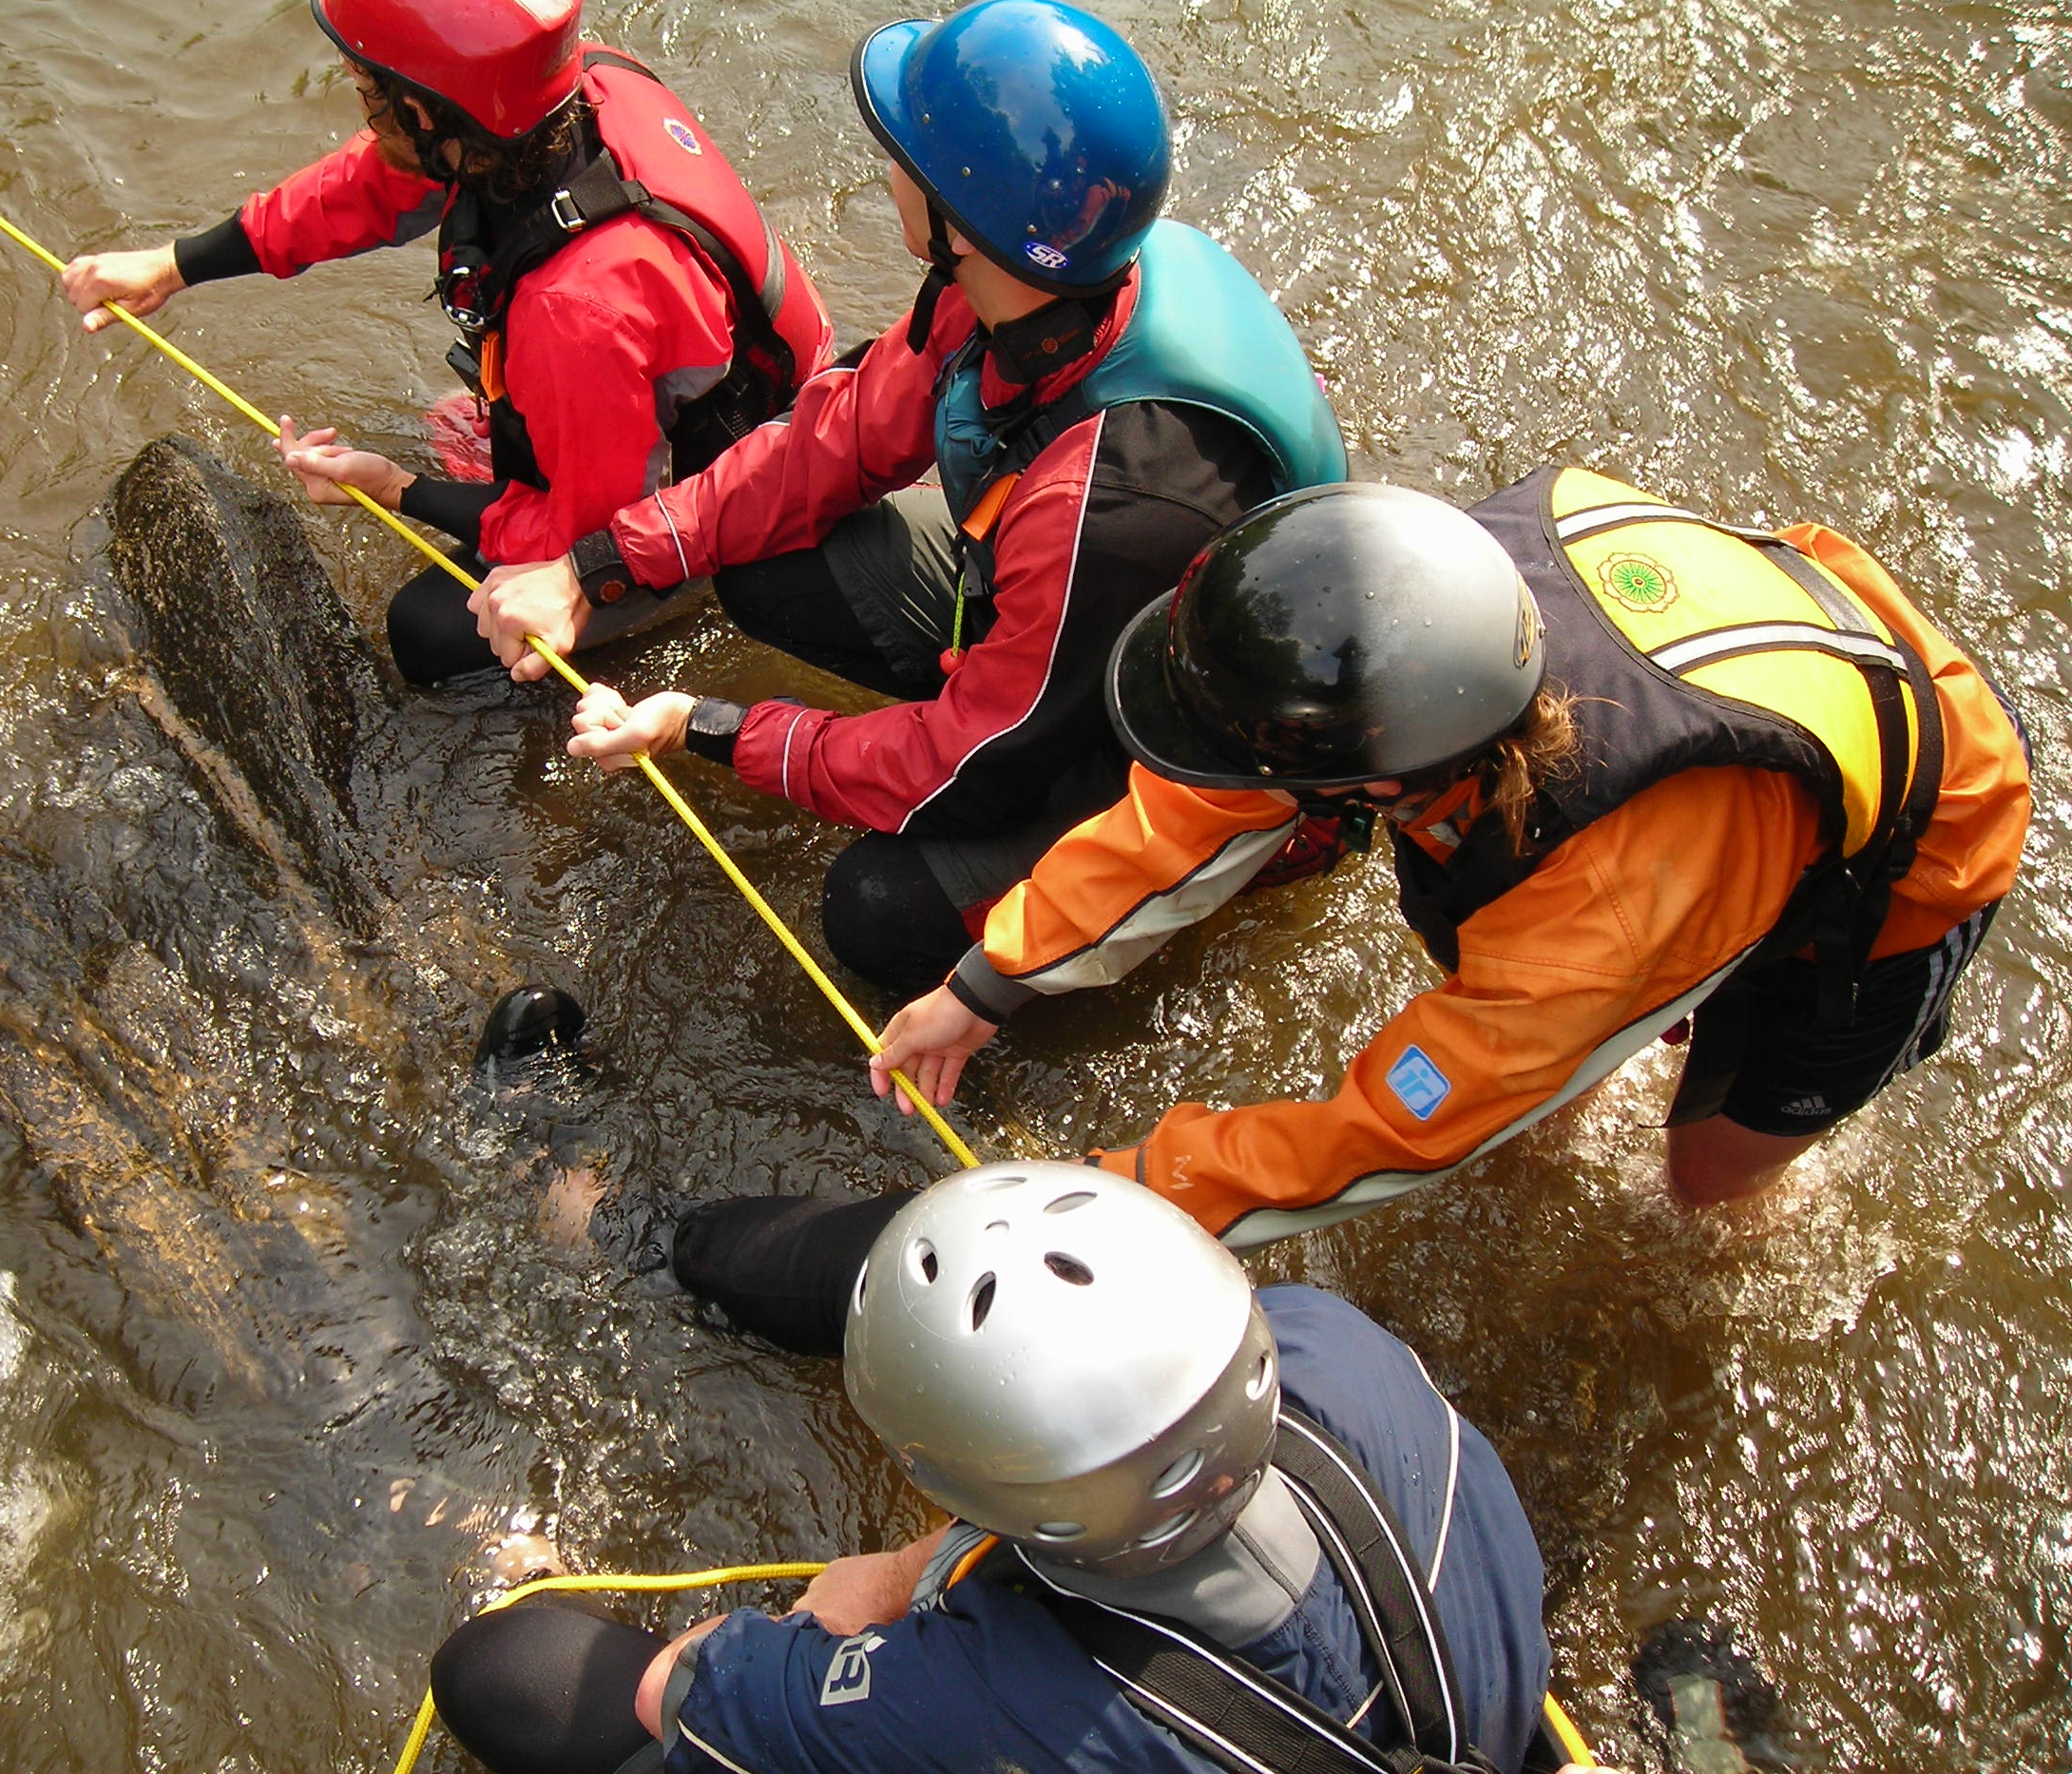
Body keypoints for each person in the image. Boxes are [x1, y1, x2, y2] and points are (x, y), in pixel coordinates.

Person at [854, 468, 2029, 1240]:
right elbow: (1185, 813)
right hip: (1751, 711)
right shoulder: (1416, 629)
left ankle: (1737, 1154)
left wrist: (1128, 1193)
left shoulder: (1590, 909)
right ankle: (1590, 1057)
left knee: (1704, 1181)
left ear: (1379, 782)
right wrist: (990, 980)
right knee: (1550, 1068)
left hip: (1912, 844)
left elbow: (1390, 1131)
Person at [470, 0, 1351, 992]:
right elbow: (829, 443)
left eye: (906, 157)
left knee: (877, 909)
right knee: (764, 562)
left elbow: (970, 770)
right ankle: (1001, 702)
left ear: (962, 224)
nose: (887, 167)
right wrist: (596, 567)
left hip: (1193, 740)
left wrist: (708, 727)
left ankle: (1172, 878)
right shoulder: (1026, 288)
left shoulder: (1111, 495)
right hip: (1092, 617)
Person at [423, 1164, 1556, 1774]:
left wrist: (844, 1610)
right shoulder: (1334, 1348)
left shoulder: (999, 1708)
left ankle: (582, 1196)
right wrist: (912, 1565)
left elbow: (675, 1686)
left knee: (507, 1671)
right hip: (1461, 1718)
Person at [59, 0, 833, 686]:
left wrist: (400, 490)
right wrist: (177, 264)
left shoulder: (578, 311)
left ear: (426, 115)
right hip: (700, 391)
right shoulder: (566, 92)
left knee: (427, 630)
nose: (363, 113)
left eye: (368, 93)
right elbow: (372, 186)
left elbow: (595, 538)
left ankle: (702, 601)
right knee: (463, 427)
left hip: (725, 486)